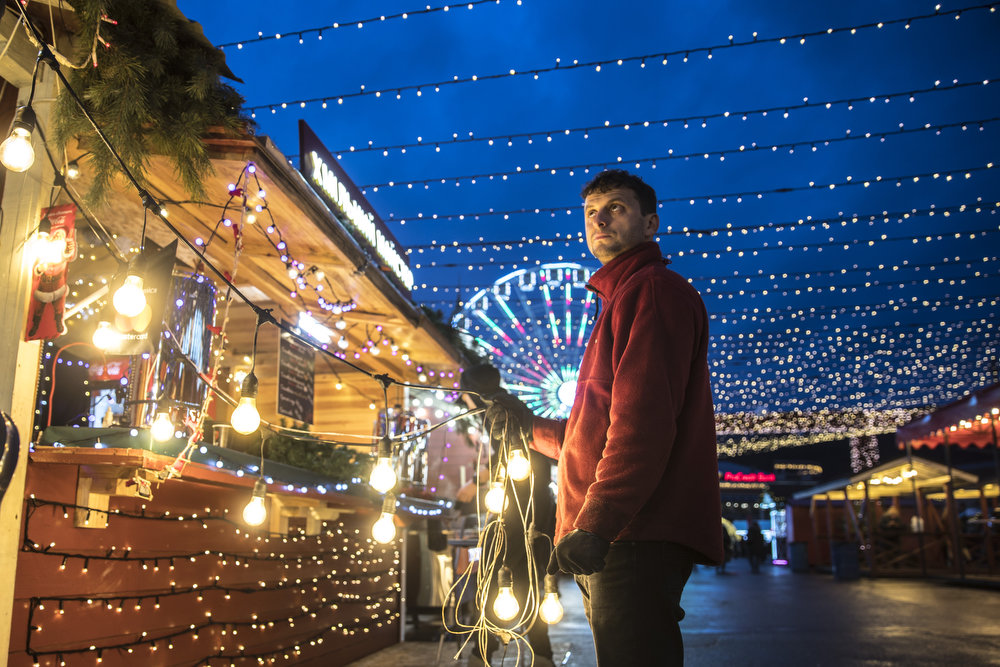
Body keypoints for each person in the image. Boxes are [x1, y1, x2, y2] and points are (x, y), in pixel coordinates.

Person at [485, 169, 723, 666]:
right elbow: (594, 436)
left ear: (651, 223)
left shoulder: (652, 291)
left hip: (633, 532)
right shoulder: (619, 299)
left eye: (615, 207)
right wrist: (524, 425)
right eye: (591, 212)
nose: (600, 219)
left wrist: (597, 522)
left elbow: (644, 424)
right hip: (618, 532)